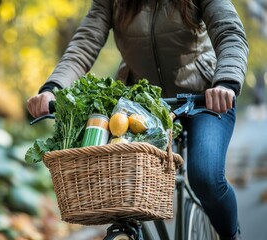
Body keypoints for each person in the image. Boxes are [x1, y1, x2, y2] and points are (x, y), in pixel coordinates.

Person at [26, 1, 248, 239]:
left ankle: (230, 235)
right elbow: (85, 43)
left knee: (205, 177)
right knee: (120, 180)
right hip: (140, 106)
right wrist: (53, 88)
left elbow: (229, 32)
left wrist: (226, 82)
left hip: (203, 100)